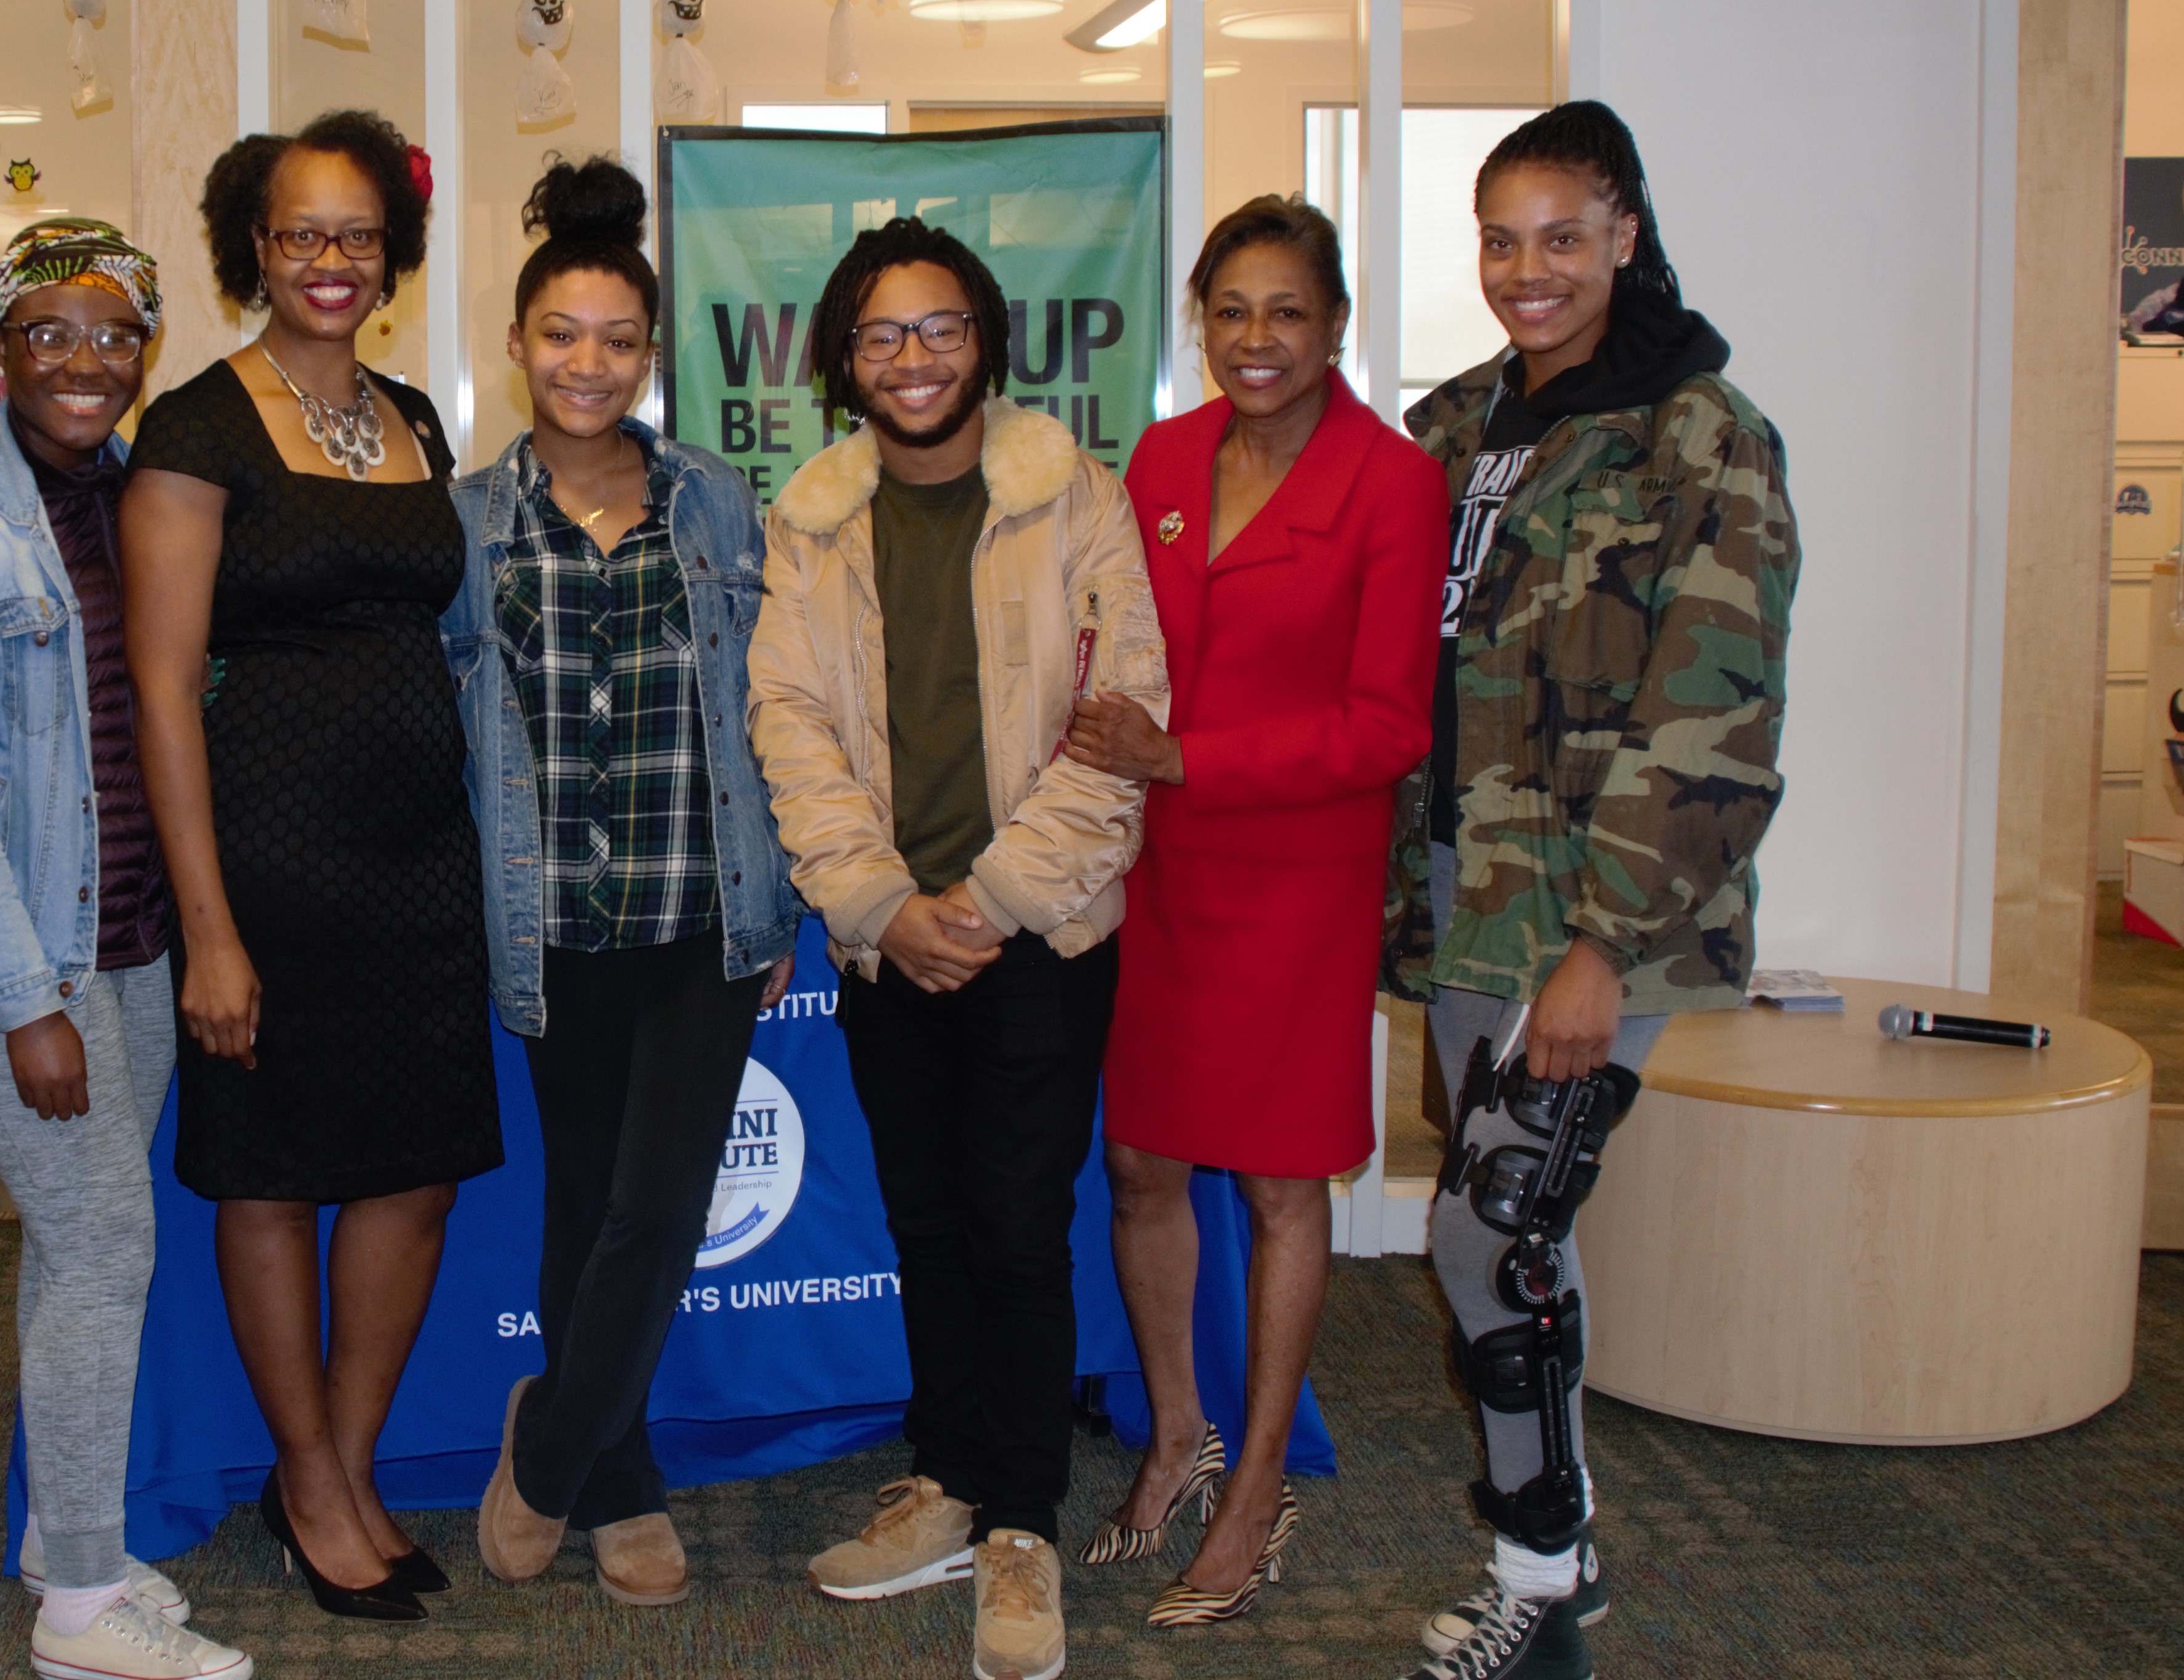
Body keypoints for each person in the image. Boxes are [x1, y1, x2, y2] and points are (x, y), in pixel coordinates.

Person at [1388, 101, 1794, 1680]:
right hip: (1466, 897)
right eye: (1501, 240)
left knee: (1488, 1234)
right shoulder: (1456, 426)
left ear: (1625, 234)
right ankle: (1558, 1555)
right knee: (1517, 1240)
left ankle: (1541, 1582)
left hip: (1593, 917)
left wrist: (1601, 948)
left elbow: (1715, 722)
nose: (1528, 270)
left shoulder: (1701, 433)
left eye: (1562, 237)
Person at [745, 217, 1167, 1680]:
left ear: (984, 340)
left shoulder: (1076, 500)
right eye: (881, 334)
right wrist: (880, 906)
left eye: (939, 328)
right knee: (923, 1221)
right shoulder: (809, 523)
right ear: (841, 360)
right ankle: (947, 1479)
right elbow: (789, 725)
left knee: (1016, 1227)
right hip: (887, 942)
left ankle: (1023, 1523)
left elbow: (1118, 727)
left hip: (1037, 933)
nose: (912, 358)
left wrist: (984, 903)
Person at [123, 107, 495, 1624]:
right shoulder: (197, 426)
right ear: (253, 249)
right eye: (300, 234)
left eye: (357, 234)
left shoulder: (413, 417)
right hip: (268, 866)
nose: (329, 260)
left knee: (415, 1175)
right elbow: (161, 689)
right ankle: (311, 1475)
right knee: (272, 1179)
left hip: (421, 863)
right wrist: (208, 928)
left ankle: (337, 1466)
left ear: (390, 252)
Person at [0, 219, 251, 1680]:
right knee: (105, 1248)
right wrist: (25, 1001)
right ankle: (83, 1609)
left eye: (113, 335)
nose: (84, 361)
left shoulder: (130, 495)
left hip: (130, 940)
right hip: (18, 963)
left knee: (71, 1243)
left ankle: (63, 1540)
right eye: (49, 334)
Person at [1061, 196, 1447, 1628]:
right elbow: (1111, 644)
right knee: (1142, 1160)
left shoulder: (1393, 483)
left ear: (1335, 322)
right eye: (1229, 310)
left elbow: (1385, 725)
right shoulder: (1162, 460)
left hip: (1296, 880)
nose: (1255, 337)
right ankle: (1178, 1432)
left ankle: (1258, 1476)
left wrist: (1186, 758)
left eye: (1286, 310)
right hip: (1159, 872)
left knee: (1283, 1186)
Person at [444, 158, 800, 1609]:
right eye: (559, 334)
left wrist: (783, 892)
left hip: (700, 906)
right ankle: (624, 1481)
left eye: (616, 339)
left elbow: (774, 702)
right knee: (585, 1201)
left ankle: (548, 1452)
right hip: (551, 920)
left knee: (659, 1204)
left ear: (648, 355)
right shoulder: (467, 518)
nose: (585, 364)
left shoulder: (715, 501)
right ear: (516, 343)